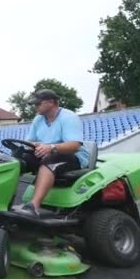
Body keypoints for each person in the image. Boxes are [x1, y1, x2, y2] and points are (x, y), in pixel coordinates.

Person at [13, 89, 89, 218]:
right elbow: (30, 141)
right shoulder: (38, 119)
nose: (35, 107)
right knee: (19, 159)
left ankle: (33, 206)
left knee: (50, 161)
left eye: (38, 103)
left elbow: (74, 146)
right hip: (46, 152)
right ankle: (5, 201)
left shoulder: (69, 117)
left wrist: (51, 147)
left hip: (73, 156)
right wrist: (35, 146)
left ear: (51, 102)